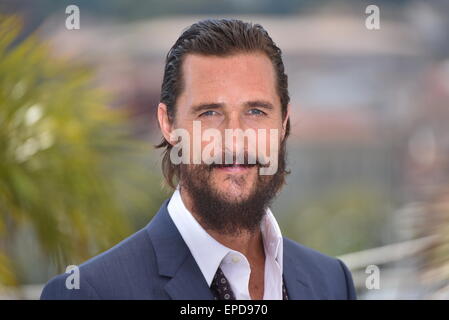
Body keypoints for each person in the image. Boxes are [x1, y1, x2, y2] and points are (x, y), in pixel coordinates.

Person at [41, 18, 356, 300]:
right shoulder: (89, 293)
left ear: (283, 122)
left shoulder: (331, 282)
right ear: (169, 124)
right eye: (210, 113)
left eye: (256, 111)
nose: (235, 136)